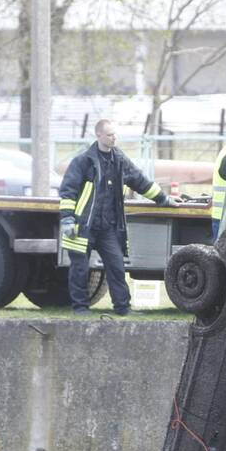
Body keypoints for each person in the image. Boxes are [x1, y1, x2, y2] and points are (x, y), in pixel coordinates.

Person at [59, 119, 180, 315]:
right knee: (79, 269)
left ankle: (123, 308)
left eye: (115, 134)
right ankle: (80, 308)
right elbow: (68, 191)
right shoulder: (83, 162)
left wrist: (163, 199)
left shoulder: (120, 160)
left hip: (107, 227)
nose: (114, 138)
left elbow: (141, 182)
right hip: (83, 226)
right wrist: (67, 219)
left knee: (116, 267)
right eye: (109, 135)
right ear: (98, 135)